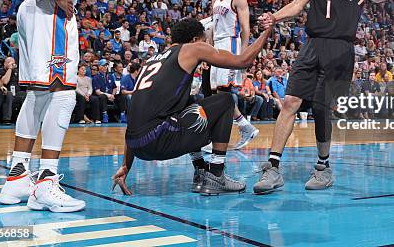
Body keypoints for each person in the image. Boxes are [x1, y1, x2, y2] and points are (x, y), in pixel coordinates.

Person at [253, 0, 386, 194]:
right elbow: (297, 4)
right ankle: (273, 167)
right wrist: (274, 17)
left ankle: (323, 168)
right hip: (312, 44)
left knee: (322, 108)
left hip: (340, 47)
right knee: (290, 101)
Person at [0, 0, 88, 212]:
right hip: (51, 14)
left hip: (34, 10)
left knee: (40, 93)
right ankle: (47, 182)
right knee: (63, 93)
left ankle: (18, 177)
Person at [111, 18, 273, 196]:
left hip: (136, 146)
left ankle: (201, 171)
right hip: (158, 139)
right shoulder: (192, 48)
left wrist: (126, 165)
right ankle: (216, 175)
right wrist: (266, 32)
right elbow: (243, 61)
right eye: (204, 41)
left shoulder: (151, 61)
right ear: (196, 40)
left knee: (189, 103)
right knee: (225, 101)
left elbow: (136, 116)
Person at [205, 0, 258, 151]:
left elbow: (245, 28)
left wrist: (243, 54)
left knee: (223, 93)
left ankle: (225, 134)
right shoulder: (215, 0)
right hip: (217, 46)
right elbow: (212, 27)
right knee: (217, 94)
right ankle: (245, 127)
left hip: (231, 43)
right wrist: (208, 50)